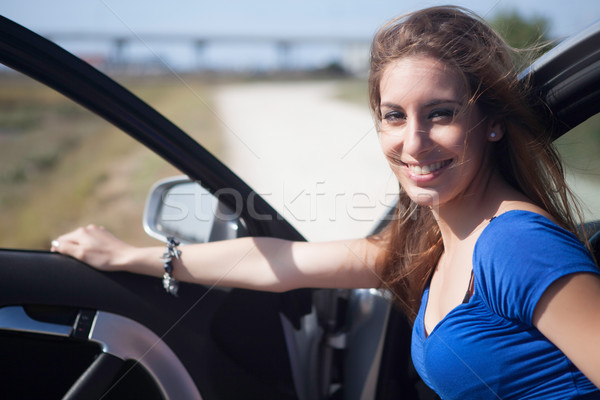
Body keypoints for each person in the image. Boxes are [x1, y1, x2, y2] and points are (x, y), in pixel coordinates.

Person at [52, 5, 600, 399]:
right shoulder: (435, 242)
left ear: (493, 125)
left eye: (441, 113)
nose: (413, 143)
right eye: (394, 116)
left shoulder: (519, 247)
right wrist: (134, 257)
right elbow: (283, 264)